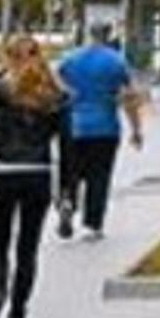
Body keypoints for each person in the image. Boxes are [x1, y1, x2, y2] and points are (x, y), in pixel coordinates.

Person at [0, 34, 69, 318]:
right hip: (37, 174)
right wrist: (66, 190)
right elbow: (67, 145)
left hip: (2, 172)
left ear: (8, 56)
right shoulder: (55, 93)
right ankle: (18, 314)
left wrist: (0, 76)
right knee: (28, 248)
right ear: (39, 55)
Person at [56, 21, 143, 239]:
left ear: (88, 34)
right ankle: (93, 225)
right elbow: (130, 98)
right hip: (105, 128)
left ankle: (68, 200)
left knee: (71, 171)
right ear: (109, 35)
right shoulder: (116, 61)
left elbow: (55, 88)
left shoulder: (70, 59)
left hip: (73, 127)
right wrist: (136, 129)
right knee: (99, 177)